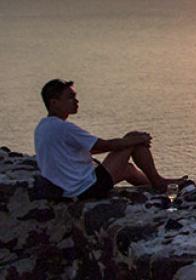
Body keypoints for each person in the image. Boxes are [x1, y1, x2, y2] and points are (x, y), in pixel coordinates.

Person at [34, 79, 186, 200]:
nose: (76, 101)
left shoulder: (43, 127)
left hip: (68, 189)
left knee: (127, 169)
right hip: (86, 187)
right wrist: (139, 139)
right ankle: (159, 183)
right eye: (70, 97)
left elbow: (92, 148)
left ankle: (155, 184)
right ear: (54, 103)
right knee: (132, 137)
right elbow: (105, 145)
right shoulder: (64, 128)